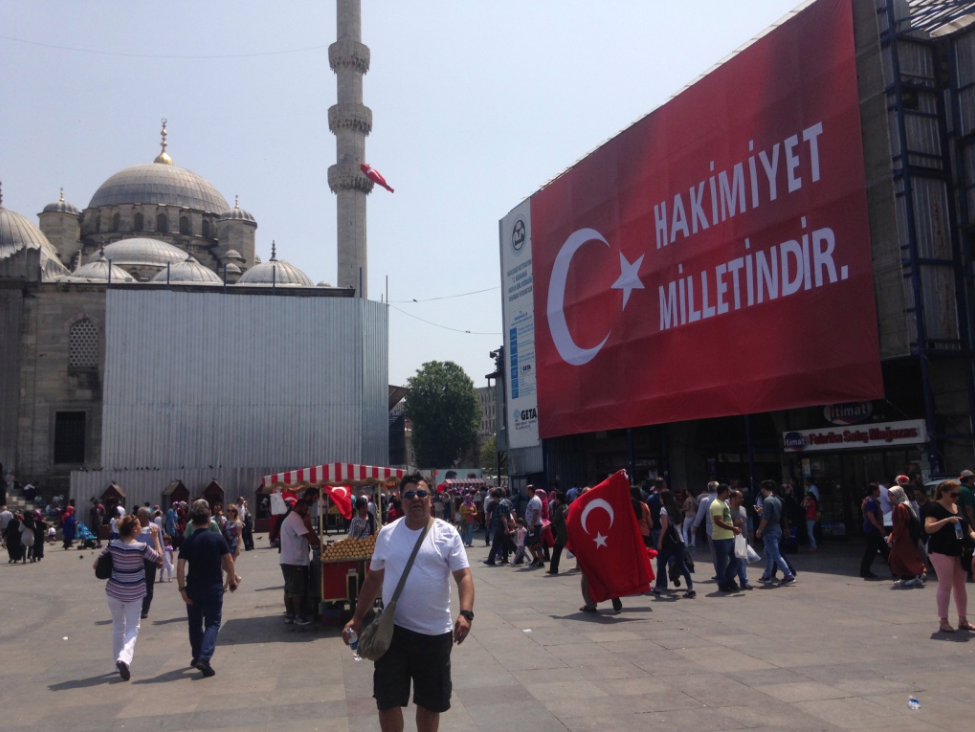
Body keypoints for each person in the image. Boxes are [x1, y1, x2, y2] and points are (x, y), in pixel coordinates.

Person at [343, 472, 474, 732]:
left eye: (422, 493)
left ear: (431, 499)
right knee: (386, 700)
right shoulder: (388, 534)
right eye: (410, 495)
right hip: (394, 634)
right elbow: (373, 579)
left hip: (434, 635)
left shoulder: (447, 534)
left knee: (429, 704)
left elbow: (464, 577)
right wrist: (357, 618)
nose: (416, 499)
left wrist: (466, 613)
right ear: (400, 500)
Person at [93, 513, 162, 680]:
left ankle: (118, 664)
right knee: (133, 627)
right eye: (138, 526)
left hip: (114, 590)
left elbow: (96, 564)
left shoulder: (113, 545)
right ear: (133, 529)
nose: (140, 528)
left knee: (118, 627)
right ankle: (124, 658)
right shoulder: (141, 547)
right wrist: (156, 538)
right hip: (134, 592)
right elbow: (159, 558)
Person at [177, 500, 238, 677]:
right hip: (213, 587)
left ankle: (197, 655)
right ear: (208, 519)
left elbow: (180, 567)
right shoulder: (217, 539)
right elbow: (229, 560)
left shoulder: (188, 542)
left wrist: (182, 589)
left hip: (193, 587)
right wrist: (232, 579)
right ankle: (204, 657)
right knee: (212, 623)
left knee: (194, 624)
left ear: (193, 522)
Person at [922, 480, 975, 633]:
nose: (956, 497)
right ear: (944, 493)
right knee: (946, 584)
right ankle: (943, 620)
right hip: (940, 550)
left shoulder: (957, 507)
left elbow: (969, 530)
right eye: (953, 494)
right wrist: (946, 521)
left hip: (958, 550)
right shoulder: (934, 507)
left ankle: (963, 619)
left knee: (960, 585)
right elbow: (928, 528)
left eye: (957, 494)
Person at [279, 495, 321, 626]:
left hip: (288, 559)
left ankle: (290, 614)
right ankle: (297, 615)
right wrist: (318, 544)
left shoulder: (291, 518)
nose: (307, 512)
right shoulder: (295, 519)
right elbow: (307, 535)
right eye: (305, 509)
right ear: (299, 507)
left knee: (289, 589)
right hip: (294, 561)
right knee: (296, 590)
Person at [653, 489, 695, 598]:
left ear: (663, 499)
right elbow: (678, 526)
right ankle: (690, 587)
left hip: (668, 542)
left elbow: (665, 527)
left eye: (661, 498)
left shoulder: (663, 510)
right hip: (679, 540)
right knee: (681, 563)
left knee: (661, 564)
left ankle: (657, 588)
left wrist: (660, 541)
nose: (660, 500)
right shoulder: (676, 509)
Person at [756, 480, 796, 586]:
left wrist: (759, 529)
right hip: (777, 530)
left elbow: (765, 518)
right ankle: (767, 575)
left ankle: (788, 575)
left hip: (770, 531)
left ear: (764, 489)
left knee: (775, 554)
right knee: (769, 553)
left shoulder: (767, 500)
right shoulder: (777, 500)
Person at [887, 485, 925, 588]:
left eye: (892, 495)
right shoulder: (902, 505)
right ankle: (906, 576)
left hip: (904, 537)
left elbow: (901, 523)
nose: (890, 497)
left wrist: (896, 536)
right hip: (904, 536)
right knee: (900, 557)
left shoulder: (900, 507)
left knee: (905, 557)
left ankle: (915, 575)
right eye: (889, 495)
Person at [710, 484, 741, 592]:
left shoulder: (724, 503)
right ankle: (722, 583)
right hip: (721, 538)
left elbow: (727, 519)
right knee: (722, 562)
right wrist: (733, 528)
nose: (730, 493)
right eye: (729, 491)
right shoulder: (716, 505)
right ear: (724, 492)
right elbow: (718, 521)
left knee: (736, 558)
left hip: (729, 536)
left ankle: (728, 579)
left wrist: (734, 527)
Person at [860, 483, 889, 579]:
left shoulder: (871, 501)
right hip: (872, 530)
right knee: (871, 552)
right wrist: (880, 528)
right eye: (878, 490)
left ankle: (895, 569)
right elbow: (871, 517)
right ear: (873, 491)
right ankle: (864, 571)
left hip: (873, 530)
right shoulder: (871, 502)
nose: (880, 491)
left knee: (885, 550)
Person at [729, 489, 754, 590]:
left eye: (742, 497)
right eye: (739, 497)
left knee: (740, 562)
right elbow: (724, 525)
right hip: (733, 539)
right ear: (733, 498)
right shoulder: (728, 510)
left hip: (743, 539)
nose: (742, 499)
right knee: (738, 562)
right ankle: (740, 581)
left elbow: (745, 524)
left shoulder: (743, 509)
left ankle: (740, 581)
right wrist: (734, 524)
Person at [485, 488, 513, 565]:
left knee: (510, 543)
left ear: (495, 497)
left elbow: (503, 517)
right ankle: (490, 560)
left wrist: (506, 527)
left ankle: (519, 555)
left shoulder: (501, 504)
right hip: (500, 525)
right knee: (496, 543)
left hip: (501, 525)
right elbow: (511, 513)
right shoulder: (506, 502)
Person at [547, 491, 569, 575]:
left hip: (563, 532)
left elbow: (556, 520)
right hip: (561, 533)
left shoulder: (560, 508)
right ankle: (553, 569)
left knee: (572, 550)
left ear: (558, 499)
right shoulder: (564, 506)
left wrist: (548, 526)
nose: (554, 499)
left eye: (555, 498)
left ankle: (585, 565)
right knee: (556, 550)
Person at [222, 503, 243, 589]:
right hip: (225, 545)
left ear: (235, 512)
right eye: (228, 510)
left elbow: (239, 536)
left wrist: (238, 547)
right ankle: (236, 577)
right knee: (224, 565)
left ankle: (226, 585)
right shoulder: (226, 522)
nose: (230, 512)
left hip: (233, 545)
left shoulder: (237, 523)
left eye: (232, 511)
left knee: (230, 564)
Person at [524, 485, 545, 569]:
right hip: (531, 525)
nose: (525, 491)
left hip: (535, 525)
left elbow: (535, 512)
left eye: (526, 489)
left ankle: (540, 561)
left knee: (536, 544)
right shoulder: (532, 500)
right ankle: (536, 558)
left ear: (530, 490)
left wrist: (532, 524)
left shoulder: (535, 500)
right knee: (528, 542)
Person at [801, 488, 819, 552]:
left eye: (808, 496)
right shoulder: (811, 502)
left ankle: (814, 546)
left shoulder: (812, 502)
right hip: (808, 517)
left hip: (811, 517)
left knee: (810, 533)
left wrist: (805, 500)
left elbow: (804, 505)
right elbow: (802, 505)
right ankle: (812, 545)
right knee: (810, 532)